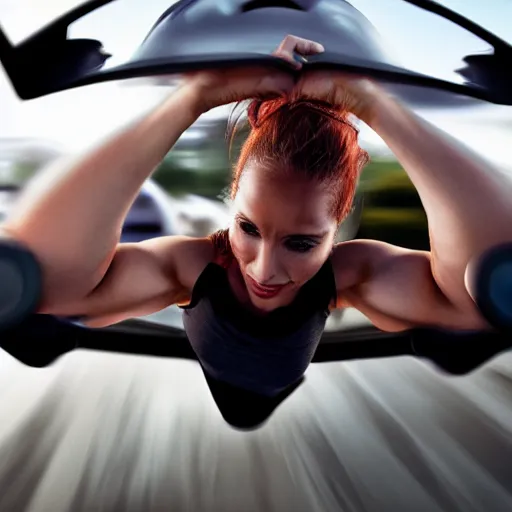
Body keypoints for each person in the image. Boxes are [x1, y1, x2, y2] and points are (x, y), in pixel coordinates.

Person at [3, 35, 511, 429]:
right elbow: (45, 281)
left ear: (341, 224)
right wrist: (193, 98)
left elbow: (488, 285)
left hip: (283, 378)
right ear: (232, 200)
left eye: (302, 242)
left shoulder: (353, 273)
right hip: (225, 373)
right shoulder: (193, 265)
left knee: (490, 295)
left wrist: (375, 106)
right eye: (248, 228)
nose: (264, 270)